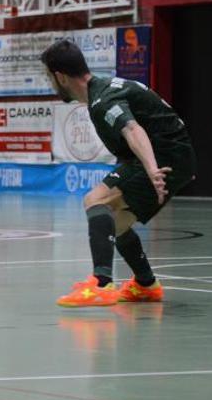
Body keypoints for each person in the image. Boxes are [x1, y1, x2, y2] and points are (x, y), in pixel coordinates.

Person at [40, 40, 196, 307]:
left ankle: (101, 284)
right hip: (170, 155)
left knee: (95, 200)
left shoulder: (102, 101)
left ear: (61, 76)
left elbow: (133, 130)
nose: (50, 84)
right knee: (117, 222)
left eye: (48, 77)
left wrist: (152, 170)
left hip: (164, 156)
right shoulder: (101, 89)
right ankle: (146, 285)